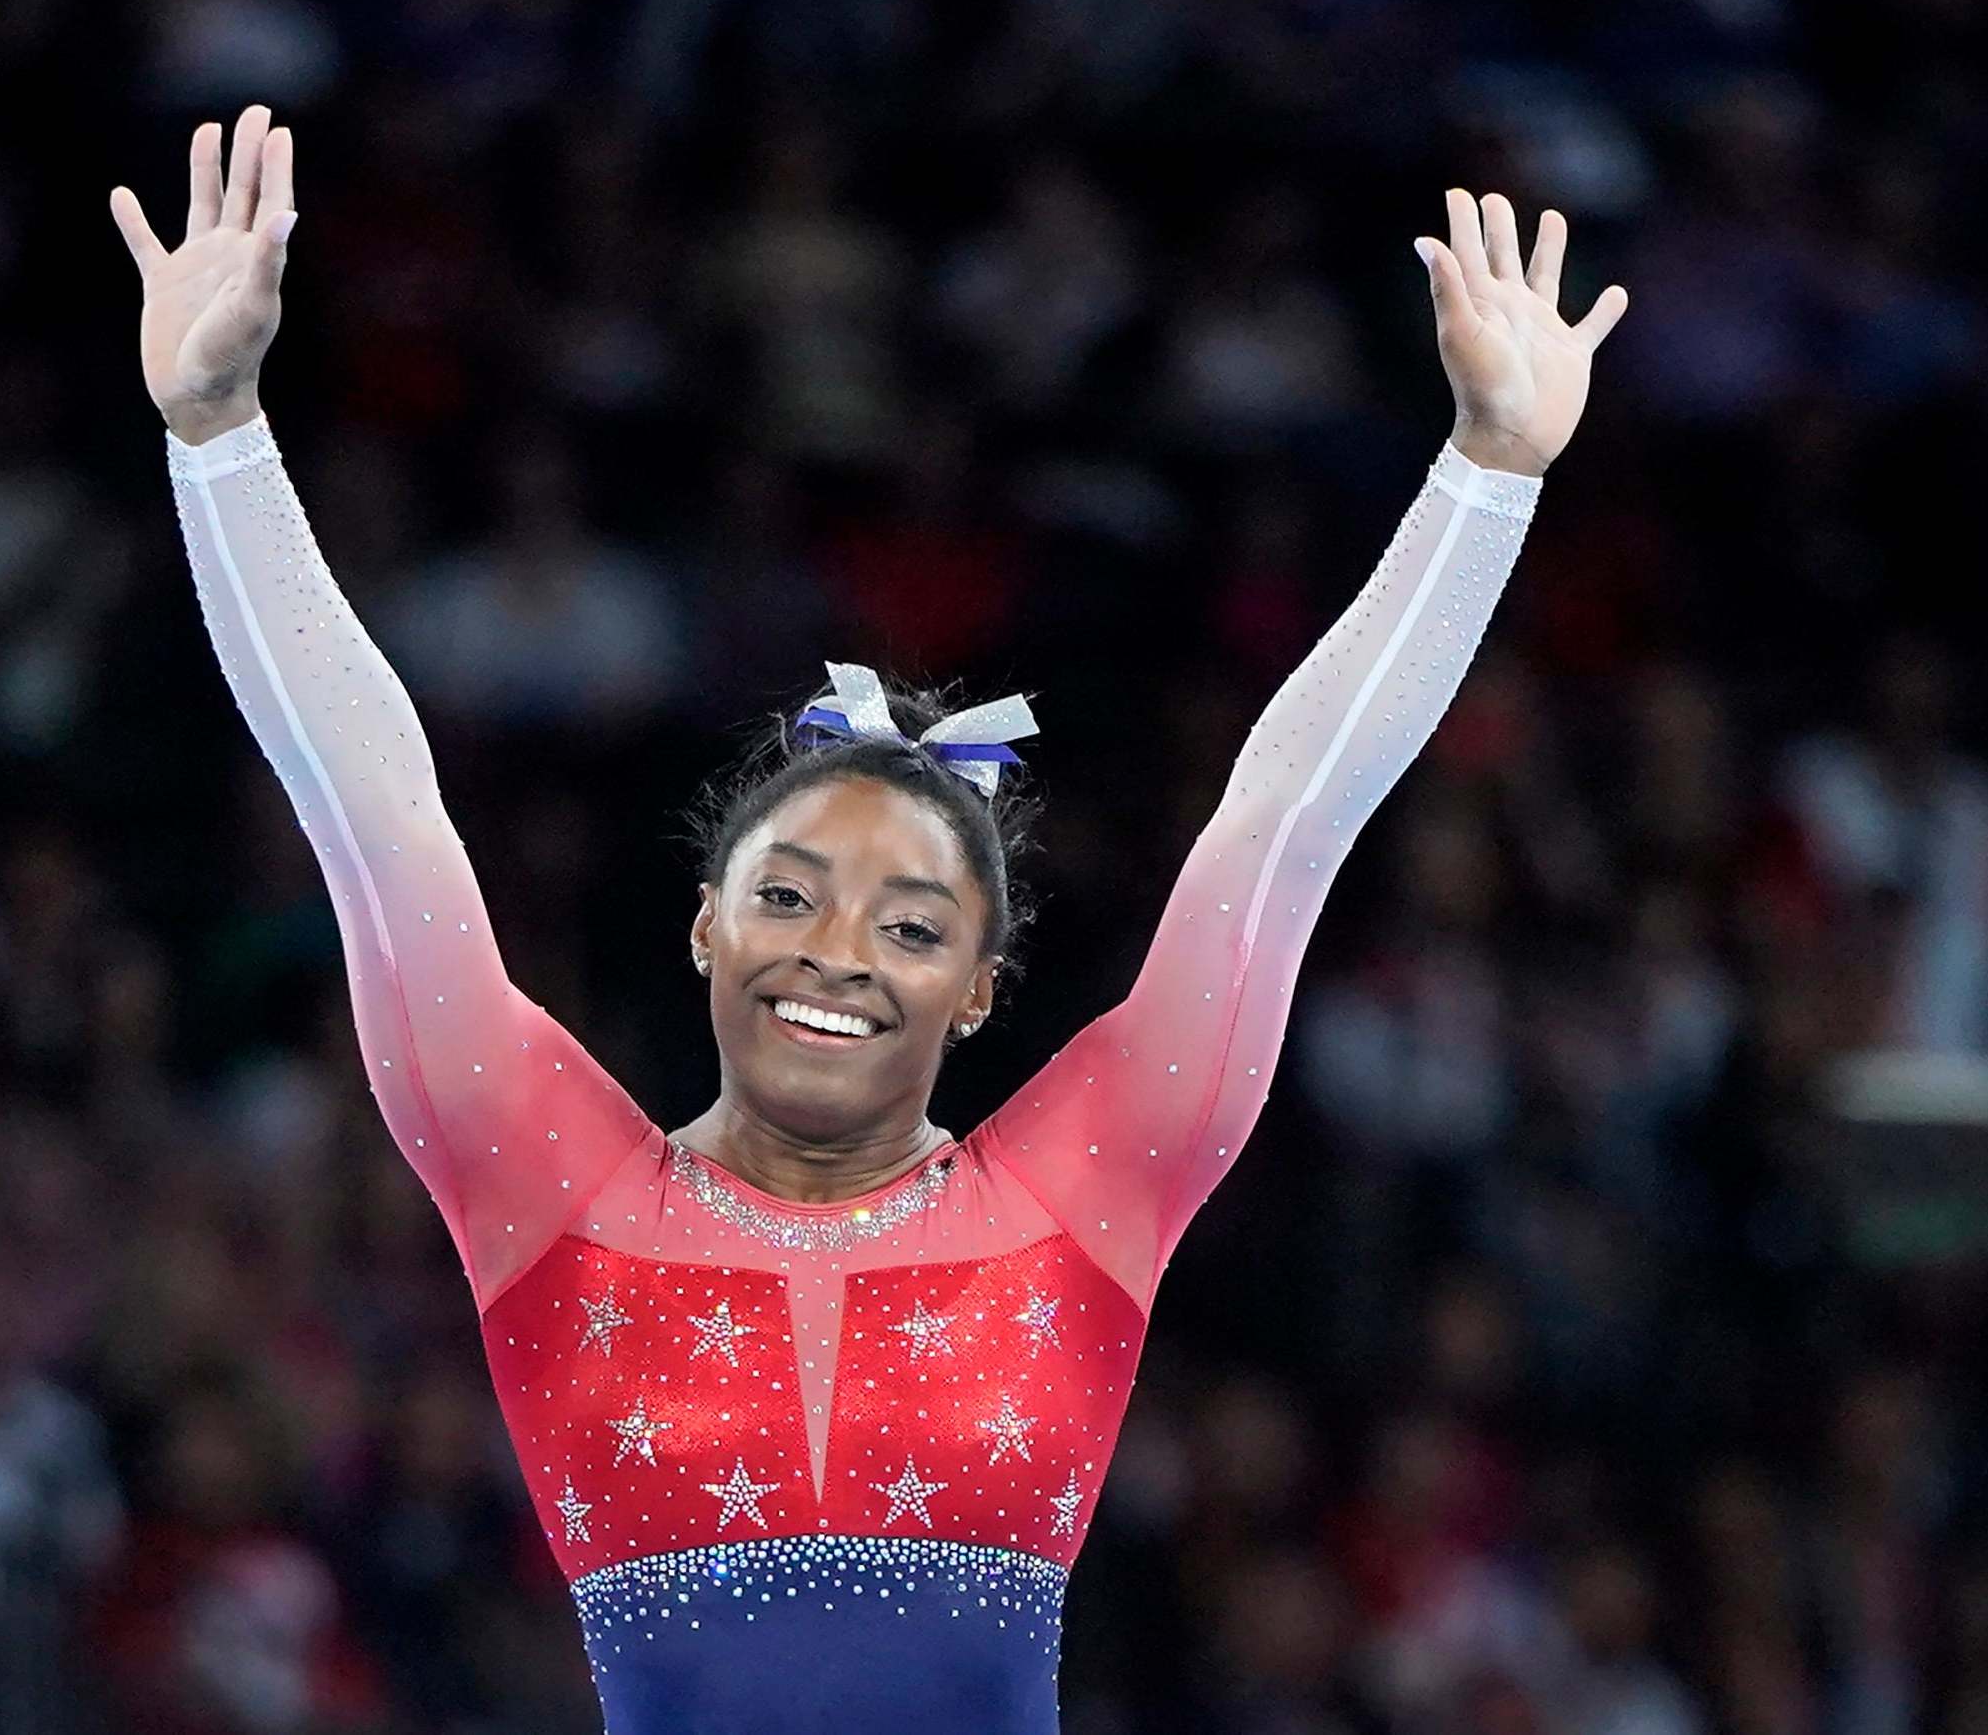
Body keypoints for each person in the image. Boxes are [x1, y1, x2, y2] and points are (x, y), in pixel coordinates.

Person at [108, 104, 1627, 1735]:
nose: (836, 950)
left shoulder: (1084, 1190)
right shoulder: (542, 1185)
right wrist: (218, 434)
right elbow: (368, 807)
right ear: (703, 930)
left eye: (910, 926)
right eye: (788, 896)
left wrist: (1486, 478)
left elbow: (1285, 824)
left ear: (980, 990)